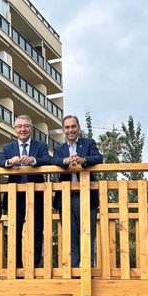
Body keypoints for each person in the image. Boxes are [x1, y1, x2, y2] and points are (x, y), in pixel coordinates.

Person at [0, 115, 51, 268]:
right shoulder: (8, 148)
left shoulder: (40, 146)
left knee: (36, 230)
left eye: (26, 126)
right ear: (15, 130)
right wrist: (9, 162)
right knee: (14, 230)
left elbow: (47, 161)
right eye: (19, 126)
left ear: (31, 129)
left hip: (36, 194)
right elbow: (0, 162)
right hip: (15, 195)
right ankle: (17, 267)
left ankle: (34, 267)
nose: (23, 129)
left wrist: (34, 161)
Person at [52, 115, 103, 268]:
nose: (70, 130)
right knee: (70, 236)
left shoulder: (88, 143)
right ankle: (74, 271)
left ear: (78, 128)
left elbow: (98, 158)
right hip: (66, 198)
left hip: (86, 196)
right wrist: (65, 161)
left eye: (73, 126)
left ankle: (88, 271)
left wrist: (83, 160)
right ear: (63, 130)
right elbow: (53, 161)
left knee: (88, 235)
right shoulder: (59, 149)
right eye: (67, 127)